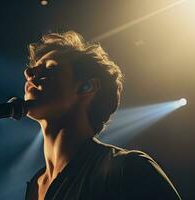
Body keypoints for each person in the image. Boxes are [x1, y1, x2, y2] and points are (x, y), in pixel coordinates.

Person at [23, 31, 181, 200]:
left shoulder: (127, 169)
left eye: (50, 67)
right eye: (34, 67)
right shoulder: (35, 185)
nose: (29, 73)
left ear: (87, 87)